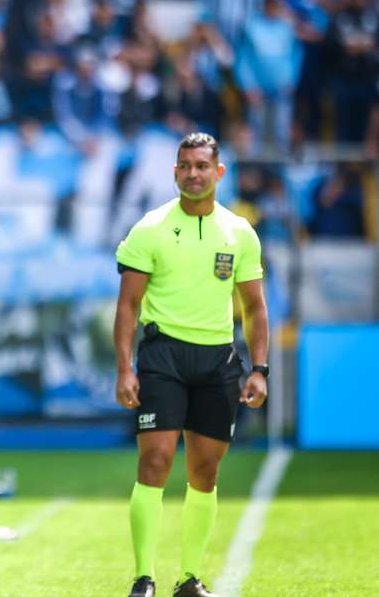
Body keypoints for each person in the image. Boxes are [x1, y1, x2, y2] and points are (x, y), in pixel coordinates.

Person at [114, 133, 269, 597]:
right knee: (156, 460)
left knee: (205, 471)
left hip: (218, 358)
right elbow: (127, 306)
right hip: (163, 356)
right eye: (185, 166)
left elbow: (256, 309)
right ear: (175, 172)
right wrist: (125, 368)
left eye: (202, 165)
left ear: (219, 173)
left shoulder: (240, 232)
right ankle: (144, 577)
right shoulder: (150, 228)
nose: (193, 173)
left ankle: (189, 578)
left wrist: (259, 369)